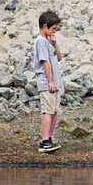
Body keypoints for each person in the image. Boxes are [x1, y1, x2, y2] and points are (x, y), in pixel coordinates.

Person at [32, 9, 64, 153]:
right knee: (48, 111)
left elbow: (59, 58)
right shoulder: (40, 42)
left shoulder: (48, 42)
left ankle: (49, 138)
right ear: (45, 26)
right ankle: (45, 141)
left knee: (54, 111)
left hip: (55, 82)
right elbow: (45, 62)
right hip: (47, 83)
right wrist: (50, 81)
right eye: (53, 29)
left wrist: (55, 43)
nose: (54, 31)